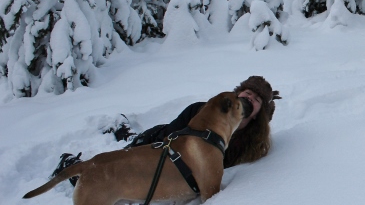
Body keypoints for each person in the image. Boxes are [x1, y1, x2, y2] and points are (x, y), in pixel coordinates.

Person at [53, 76, 280, 180]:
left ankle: (124, 131)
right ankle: (71, 164)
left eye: (257, 99)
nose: (250, 98)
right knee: (116, 163)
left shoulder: (252, 141)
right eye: (247, 92)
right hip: (156, 143)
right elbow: (169, 141)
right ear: (236, 95)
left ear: (259, 114)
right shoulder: (202, 110)